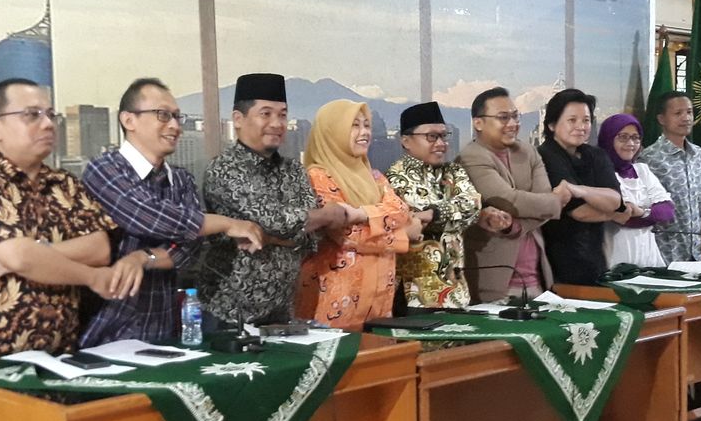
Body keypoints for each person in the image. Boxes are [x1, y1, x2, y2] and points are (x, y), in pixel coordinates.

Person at [79, 78, 264, 347]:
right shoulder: (105, 169)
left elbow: (189, 248)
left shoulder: (181, 180)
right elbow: (149, 216)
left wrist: (143, 258)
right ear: (129, 120)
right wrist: (225, 223)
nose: (175, 126)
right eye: (163, 115)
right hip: (107, 332)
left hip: (162, 333)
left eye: (178, 117)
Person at [0, 78, 119, 367]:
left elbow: (99, 249)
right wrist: (92, 278)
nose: (48, 124)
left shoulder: (64, 184)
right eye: (31, 115)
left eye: (50, 115)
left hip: (59, 362)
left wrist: (38, 251)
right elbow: (18, 255)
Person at [200, 73, 346, 326]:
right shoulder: (225, 169)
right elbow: (275, 219)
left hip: (282, 310)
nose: (277, 123)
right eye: (265, 114)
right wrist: (326, 215)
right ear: (238, 119)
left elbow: (313, 237)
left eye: (282, 114)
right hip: (229, 311)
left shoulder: (294, 170)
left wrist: (268, 237)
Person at [295, 99, 419, 330]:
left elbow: (401, 211)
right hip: (334, 299)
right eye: (354, 125)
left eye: (366, 125)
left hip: (379, 296)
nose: (364, 133)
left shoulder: (374, 176)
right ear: (332, 131)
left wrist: (360, 213)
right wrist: (403, 236)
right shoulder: (316, 176)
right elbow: (348, 235)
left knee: (377, 360)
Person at [387, 101, 511, 308]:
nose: (441, 143)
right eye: (431, 136)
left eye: (444, 136)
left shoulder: (454, 171)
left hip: (455, 289)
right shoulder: (395, 178)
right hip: (415, 294)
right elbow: (417, 221)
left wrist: (434, 213)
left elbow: (472, 205)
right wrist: (441, 215)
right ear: (406, 141)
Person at [458, 87, 569, 301]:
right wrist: (555, 203)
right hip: (495, 280)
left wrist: (514, 226)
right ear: (478, 123)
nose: (512, 124)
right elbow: (509, 201)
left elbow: (544, 201)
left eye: (515, 116)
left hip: (538, 276)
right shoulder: (471, 157)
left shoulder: (527, 151)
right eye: (503, 117)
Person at [537, 88, 623, 285]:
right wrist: (614, 213)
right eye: (572, 120)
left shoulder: (596, 155)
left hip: (596, 259)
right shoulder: (545, 156)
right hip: (560, 263)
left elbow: (615, 200)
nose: (581, 126)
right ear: (551, 124)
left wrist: (581, 190)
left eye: (586, 120)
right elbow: (580, 212)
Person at [637, 91, 701, 263]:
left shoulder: (699, 155)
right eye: (678, 113)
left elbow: (698, 203)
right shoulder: (649, 158)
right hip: (665, 251)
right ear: (661, 119)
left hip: (694, 252)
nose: (686, 118)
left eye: (689, 112)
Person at [598, 114, 674, 267]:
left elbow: (667, 211)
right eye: (623, 137)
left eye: (635, 137)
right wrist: (652, 213)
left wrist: (640, 212)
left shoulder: (642, 170)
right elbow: (624, 218)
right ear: (608, 138)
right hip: (616, 259)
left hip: (649, 258)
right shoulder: (600, 173)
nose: (631, 143)